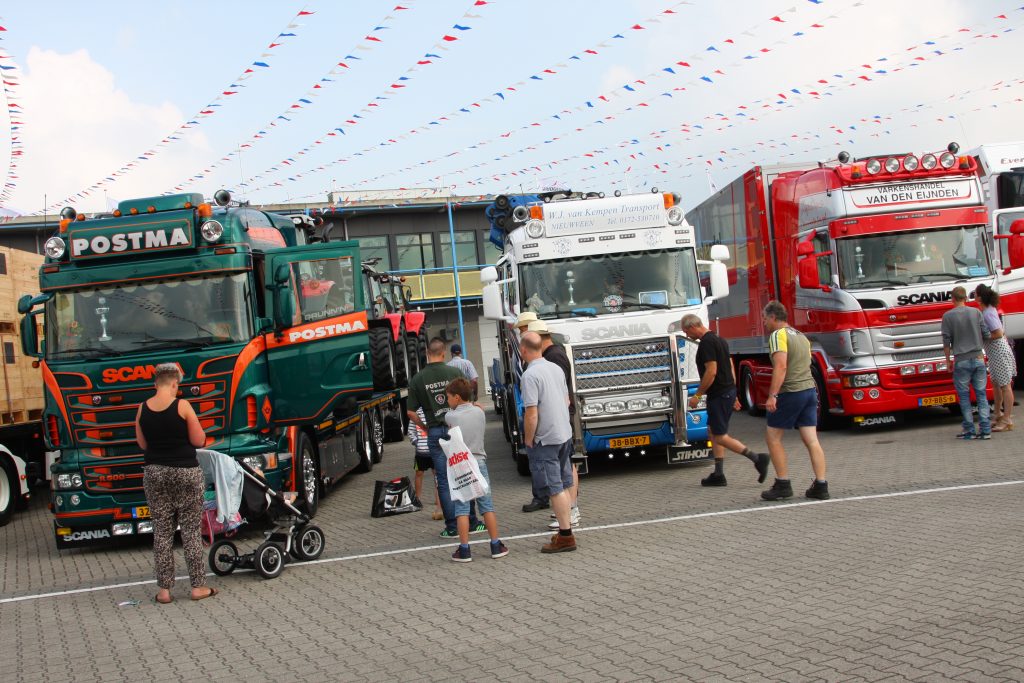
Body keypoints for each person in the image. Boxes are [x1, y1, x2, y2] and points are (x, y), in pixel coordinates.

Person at [134, 363, 217, 603]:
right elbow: (199, 439)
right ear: (174, 384)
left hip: (155, 473)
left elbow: (142, 444)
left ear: (154, 384)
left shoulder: (141, 409)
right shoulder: (183, 406)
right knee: (190, 531)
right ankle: (198, 587)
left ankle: (164, 591)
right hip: (185, 472)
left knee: (161, 532)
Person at [680, 314, 770, 487]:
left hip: (719, 394)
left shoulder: (706, 343)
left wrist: (698, 395)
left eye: (686, 331)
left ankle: (757, 458)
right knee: (712, 431)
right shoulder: (720, 339)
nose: (687, 335)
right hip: (726, 392)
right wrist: (734, 392)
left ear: (693, 326)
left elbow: (711, 371)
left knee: (720, 436)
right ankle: (719, 473)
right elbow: (729, 366)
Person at [408, 338, 485, 538]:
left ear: (427, 353)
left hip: (434, 432)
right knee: (464, 472)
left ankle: (452, 526)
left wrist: (424, 426)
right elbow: (468, 398)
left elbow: (410, 413)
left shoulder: (417, 379)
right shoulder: (454, 372)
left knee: (443, 478)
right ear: (443, 353)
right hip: (456, 429)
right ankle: (472, 522)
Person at [759, 301, 830, 501]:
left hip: (790, 392)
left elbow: (780, 366)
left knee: (772, 437)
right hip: (809, 390)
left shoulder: (777, 336)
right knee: (812, 440)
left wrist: (773, 395)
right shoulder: (801, 336)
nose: (764, 323)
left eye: (765, 319)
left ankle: (783, 484)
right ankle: (821, 484)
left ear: (773, 317)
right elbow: (806, 363)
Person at [520, 331, 577, 552]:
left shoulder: (529, 376)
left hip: (546, 438)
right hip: (564, 432)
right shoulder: (555, 368)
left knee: (555, 488)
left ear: (524, 350)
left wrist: (528, 439)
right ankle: (566, 527)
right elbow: (566, 399)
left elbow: (531, 413)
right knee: (564, 482)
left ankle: (565, 535)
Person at [444, 378, 510, 562]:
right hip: (479, 461)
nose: (447, 400)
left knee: (462, 508)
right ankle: (496, 544)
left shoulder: (451, 416)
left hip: (461, 465)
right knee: (486, 506)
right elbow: (476, 407)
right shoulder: (480, 413)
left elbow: (448, 417)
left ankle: (464, 549)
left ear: (457, 397)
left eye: (448, 397)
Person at [529, 320, 581, 529]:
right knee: (566, 469)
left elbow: (557, 394)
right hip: (561, 421)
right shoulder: (556, 354)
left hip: (557, 423)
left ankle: (570, 513)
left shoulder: (553, 357)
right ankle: (567, 512)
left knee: (563, 473)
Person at [942, 286, 992, 439]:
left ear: (953, 299)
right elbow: (986, 334)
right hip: (978, 358)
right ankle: (985, 430)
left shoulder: (947, 316)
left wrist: (948, 360)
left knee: (964, 397)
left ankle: (969, 430)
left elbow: (946, 341)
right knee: (981, 395)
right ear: (965, 298)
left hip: (961, 360)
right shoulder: (976, 312)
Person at [976, 285, 1016, 432]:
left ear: (980, 297)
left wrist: (983, 337)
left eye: (975, 294)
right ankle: (998, 414)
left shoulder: (987, 314)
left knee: (1005, 386)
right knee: (996, 384)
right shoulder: (988, 311)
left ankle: (1007, 419)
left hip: (998, 352)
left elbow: (998, 333)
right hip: (995, 353)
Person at [407, 407, 441, 519]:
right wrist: (416, 442)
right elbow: (410, 431)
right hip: (420, 452)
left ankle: (438, 499)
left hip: (434, 451)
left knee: (437, 474)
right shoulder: (416, 414)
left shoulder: (435, 411)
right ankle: (417, 498)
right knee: (418, 473)